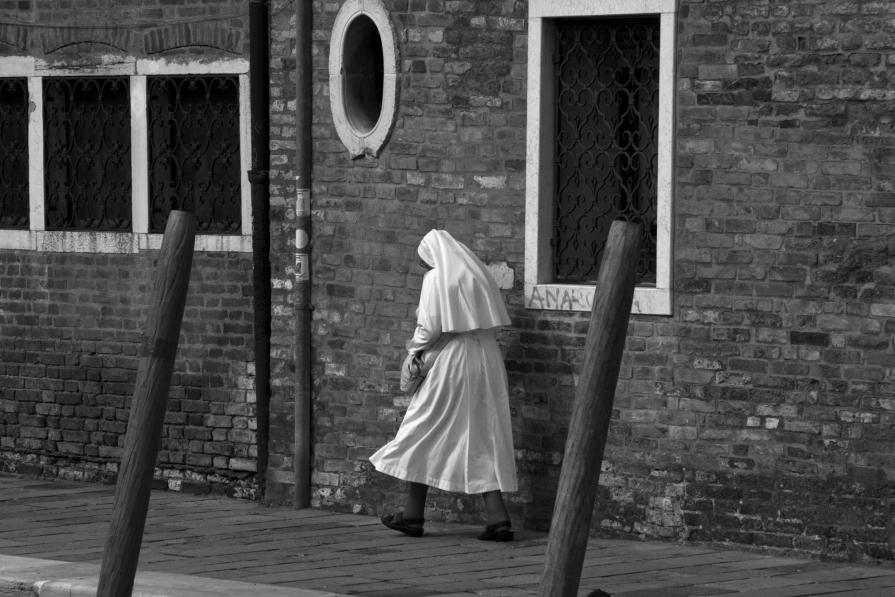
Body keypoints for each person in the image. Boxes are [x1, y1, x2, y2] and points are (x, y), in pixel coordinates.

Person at [369, 229, 518, 541]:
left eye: (424, 261)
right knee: (482, 434)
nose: (424, 267)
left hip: (453, 360)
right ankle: (498, 519)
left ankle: (412, 515)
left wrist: (414, 352)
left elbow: (429, 326)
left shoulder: (437, 278)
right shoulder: (477, 275)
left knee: (421, 427)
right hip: (487, 357)